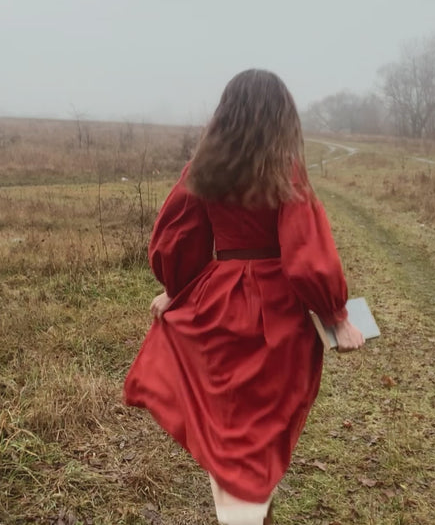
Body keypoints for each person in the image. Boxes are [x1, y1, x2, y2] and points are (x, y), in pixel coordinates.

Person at [124, 69, 364, 525]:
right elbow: (305, 258)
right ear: (281, 118)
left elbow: (178, 238)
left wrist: (177, 289)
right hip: (276, 315)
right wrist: (335, 315)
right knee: (255, 439)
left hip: (217, 304)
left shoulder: (205, 168)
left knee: (230, 428)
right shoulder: (285, 169)